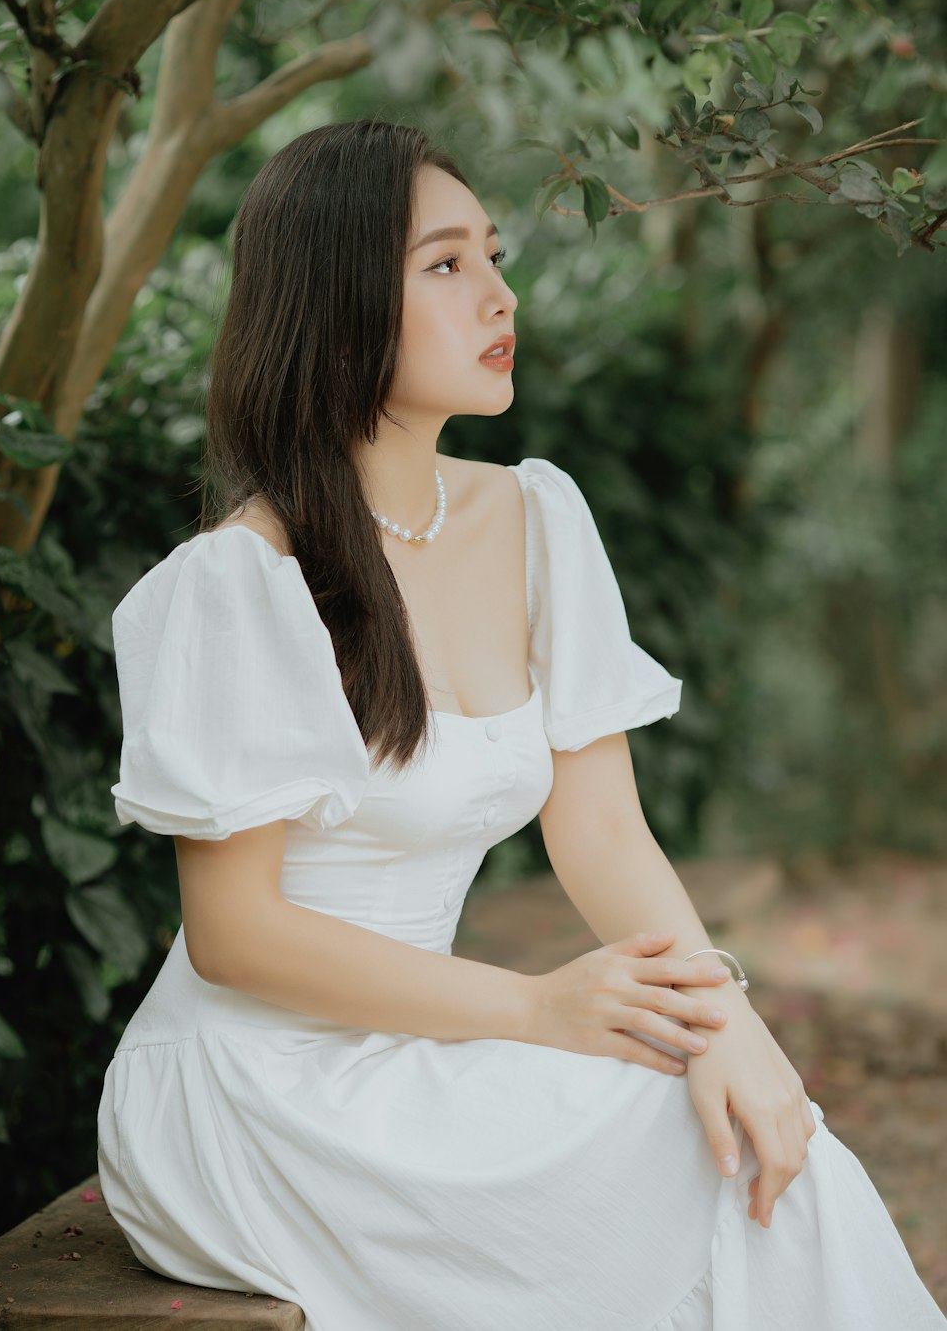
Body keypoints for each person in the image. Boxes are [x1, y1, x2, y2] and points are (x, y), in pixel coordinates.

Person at [96, 118, 946, 1331]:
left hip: (432, 1050)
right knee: (681, 1169)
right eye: (445, 265)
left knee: (768, 1141)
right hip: (248, 1088)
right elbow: (235, 935)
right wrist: (538, 1009)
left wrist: (731, 1026)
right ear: (337, 302)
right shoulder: (239, 583)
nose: (499, 294)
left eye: (492, 257)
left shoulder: (537, 518)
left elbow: (600, 835)